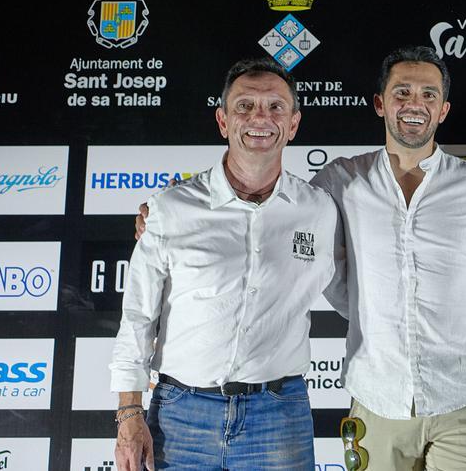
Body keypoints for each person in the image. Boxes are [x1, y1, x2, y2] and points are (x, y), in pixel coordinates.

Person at [110, 57, 341, 471]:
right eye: (245, 106)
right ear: (222, 120)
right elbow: (137, 318)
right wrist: (129, 414)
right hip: (181, 415)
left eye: (275, 107)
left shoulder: (319, 210)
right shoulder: (171, 209)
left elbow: (357, 284)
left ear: (293, 124)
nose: (260, 118)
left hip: (279, 415)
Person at [312, 46, 466, 471]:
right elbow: (294, 238)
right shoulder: (341, 180)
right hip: (376, 399)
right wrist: (365, 308)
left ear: (443, 110)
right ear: (380, 104)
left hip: (462, 401)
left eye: (428, 95)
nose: (415, 105)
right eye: (402, 92)